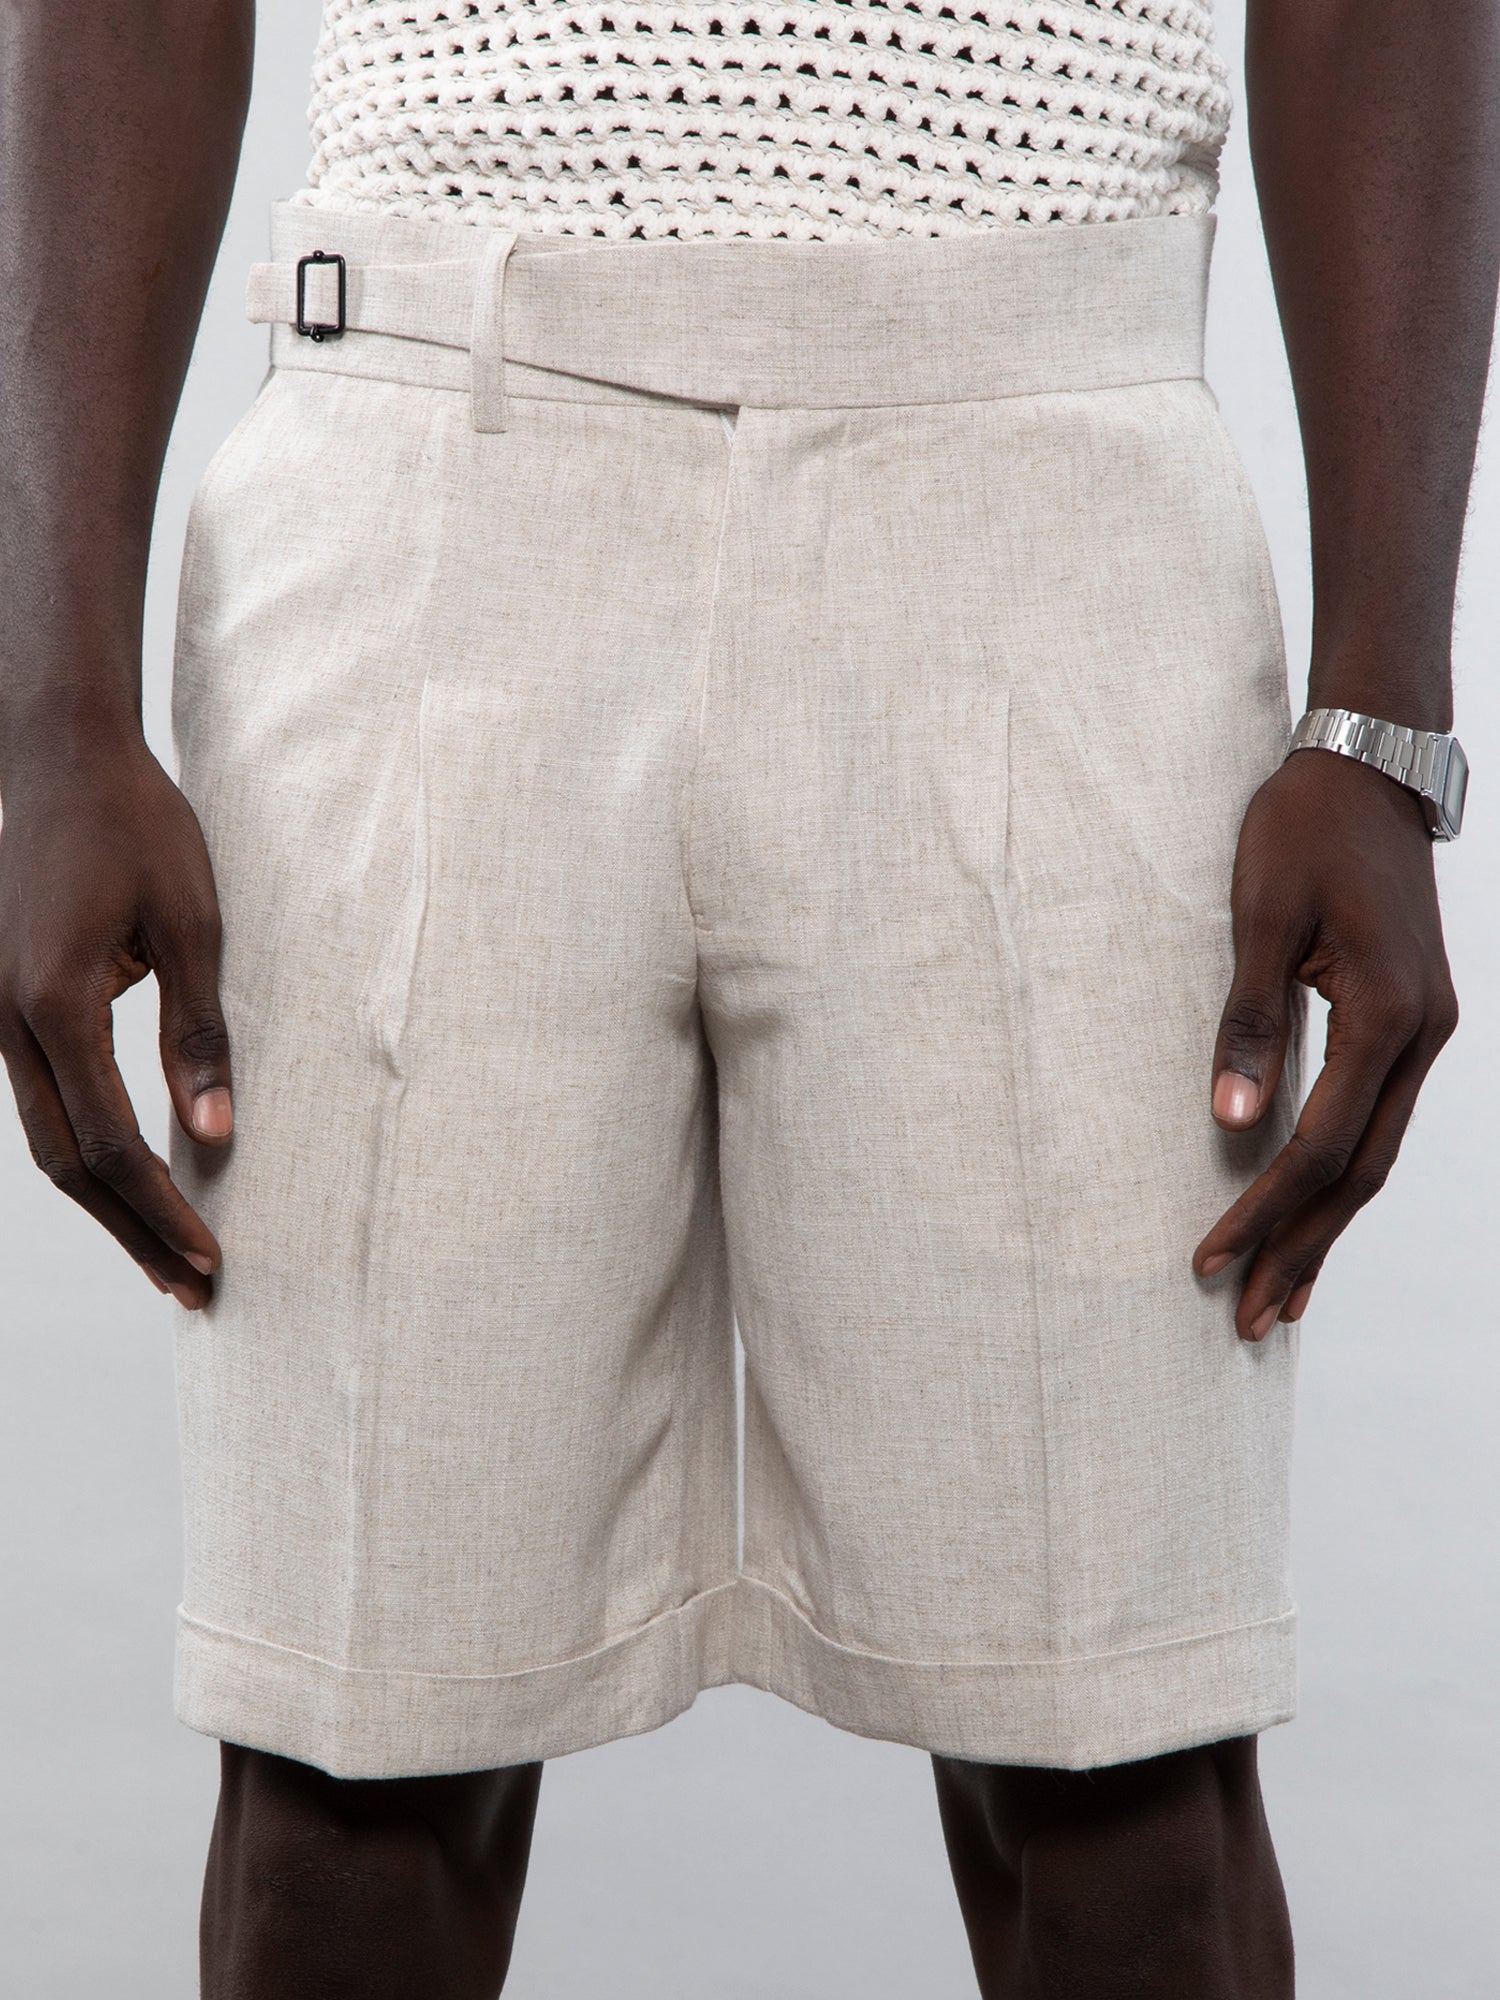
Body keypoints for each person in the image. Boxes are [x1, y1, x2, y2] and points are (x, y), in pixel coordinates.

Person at [0, 2, 1494, 1993]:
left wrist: (1381, 718)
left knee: (1123, 1776)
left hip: (1045, 480)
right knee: (346, 1786)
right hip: (424, 475)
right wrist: (56, 717)